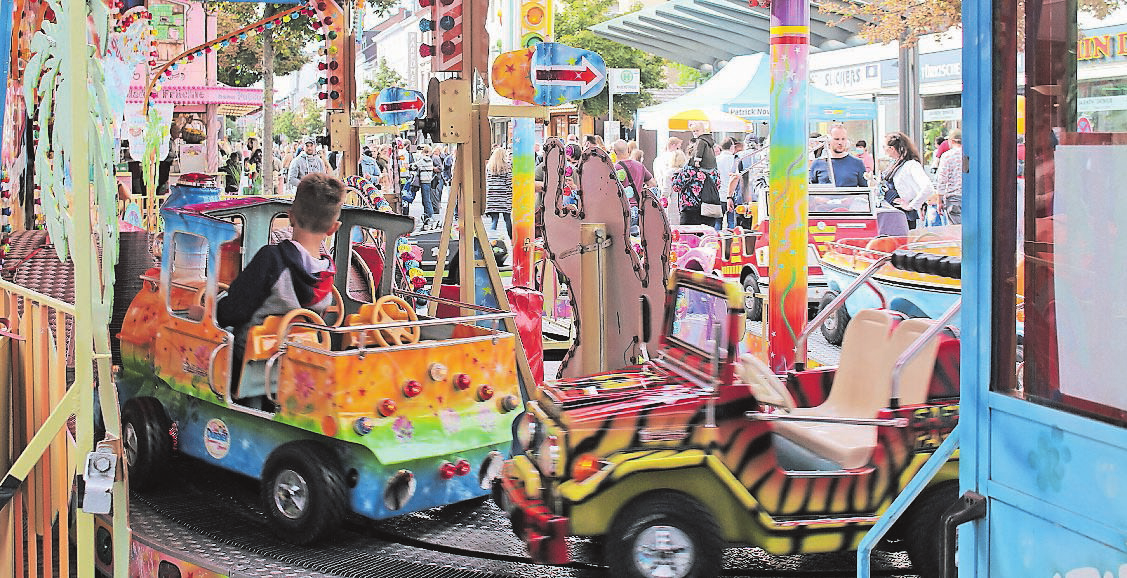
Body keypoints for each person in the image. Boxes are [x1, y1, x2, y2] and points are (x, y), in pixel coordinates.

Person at [216, 173, 344, 406]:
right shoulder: (328, 273)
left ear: (291, 217)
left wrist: (209, 313)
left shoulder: (271, 259)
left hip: (252, 360)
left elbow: (234, 311)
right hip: (300, 359)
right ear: (333, 228)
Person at [882, 131, 935, 229]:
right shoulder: (896, 164)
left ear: (892, 148)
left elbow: (928, 187)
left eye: (884, 147)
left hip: (905, 216)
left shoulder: (911, 165)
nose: (884, 150)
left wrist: (911, 205)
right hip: (895, 213)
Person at [677, 121, 719, 227]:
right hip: (709, 208)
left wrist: (676, 175)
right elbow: (718, 185)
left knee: (689, 240)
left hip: (690, 210)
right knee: (707, 240)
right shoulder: (713, 169)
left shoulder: (690, 168)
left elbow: (677, 186)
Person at [933, 129, 963, 224]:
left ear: (952, 141)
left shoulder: (947, 156)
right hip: (971, 197)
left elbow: (942, 179)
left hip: (953, 198)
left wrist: (939, 200)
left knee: (956, 231)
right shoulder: (971, 154)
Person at [485, 147, 513, 238]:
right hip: (504, 197)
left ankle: (492, 239)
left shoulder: (489, 166)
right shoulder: (507, 166)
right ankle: (512, 240)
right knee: (507, 219)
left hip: (492, 197)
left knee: (494, 220)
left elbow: (487, 181)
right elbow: (509, 182)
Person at [660, 149, 688, 225]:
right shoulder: (687, 172)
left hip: (674, 204)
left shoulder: (669, 173)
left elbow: (666, 192)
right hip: (686, 205)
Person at [716, 137, 738, 230]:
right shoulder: (735, 160)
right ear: (732, 147)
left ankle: (716, 241)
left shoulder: (716, 159)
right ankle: (731, 242)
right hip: (732, 194)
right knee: (732, 222)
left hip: (719, 195)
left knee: (717, 222)